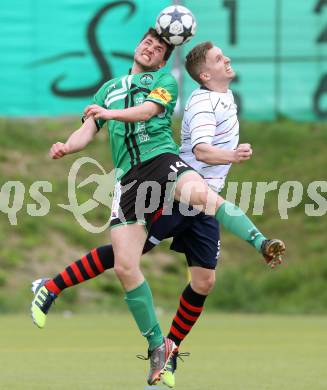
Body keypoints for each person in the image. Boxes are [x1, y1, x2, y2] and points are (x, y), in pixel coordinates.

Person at [31, 33, 285, 387]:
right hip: (131, 181)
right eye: (148, 42)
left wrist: (108, 113)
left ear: (164, 61)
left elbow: (147, 112)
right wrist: (67, 146)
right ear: (137, 47)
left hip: (162, 163)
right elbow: (87, 129)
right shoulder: (108, 90)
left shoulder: (163, 81)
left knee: (203, 258)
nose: (151, 48)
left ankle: (260, 243)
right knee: (125, 263)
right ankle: (154, 346)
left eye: (160, 49)